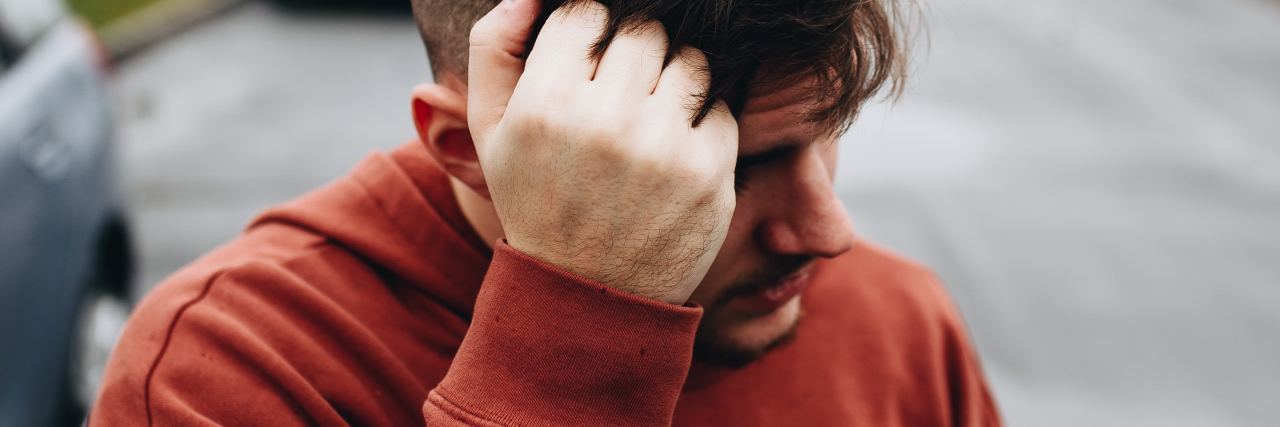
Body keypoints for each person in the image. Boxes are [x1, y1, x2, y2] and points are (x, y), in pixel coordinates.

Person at [92, 0, 1001, 425]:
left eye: (826, 133)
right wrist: (574, 336)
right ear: (466, 148)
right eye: (729, 168)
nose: (827, 231)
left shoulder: (897, 324)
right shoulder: (235, 370)